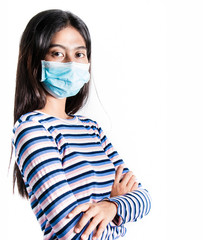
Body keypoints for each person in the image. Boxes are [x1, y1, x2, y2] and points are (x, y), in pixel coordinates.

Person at [10, 9, 151, 240]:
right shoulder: (33, 129)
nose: (71, 63)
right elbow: (72, 231)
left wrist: (111, 208)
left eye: (79, 54)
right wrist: (119, 205)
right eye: (57, 53)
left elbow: (144, 198)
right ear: (35, 60)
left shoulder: (91, 129)